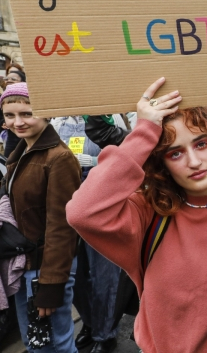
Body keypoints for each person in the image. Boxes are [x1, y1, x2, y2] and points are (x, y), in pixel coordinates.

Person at [66, 79, 207, 353]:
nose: (194, 162)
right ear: (161, 162)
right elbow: (82, 212)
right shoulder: (149, 211)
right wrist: (144, 132)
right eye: (175, 153)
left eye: (201, 144)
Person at [2, 83, 81, 353]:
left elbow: (62, 227)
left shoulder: (59, 158)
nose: (17, 122)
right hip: (29, 265)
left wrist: (51, 284)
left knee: (55, 345)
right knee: (36, 345)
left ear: (46, 113)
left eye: (26, 114)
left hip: (46, 269)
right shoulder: (23, 151)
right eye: (9, 115)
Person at [51, 116, 121, 353]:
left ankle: (105, 333)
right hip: (67, 202)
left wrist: (94, 161)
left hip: (101, 202)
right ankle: (90, 323)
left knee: (104, 273)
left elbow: (126, 158)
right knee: (75, 274)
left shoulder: (108, 117)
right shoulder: (58, 122)